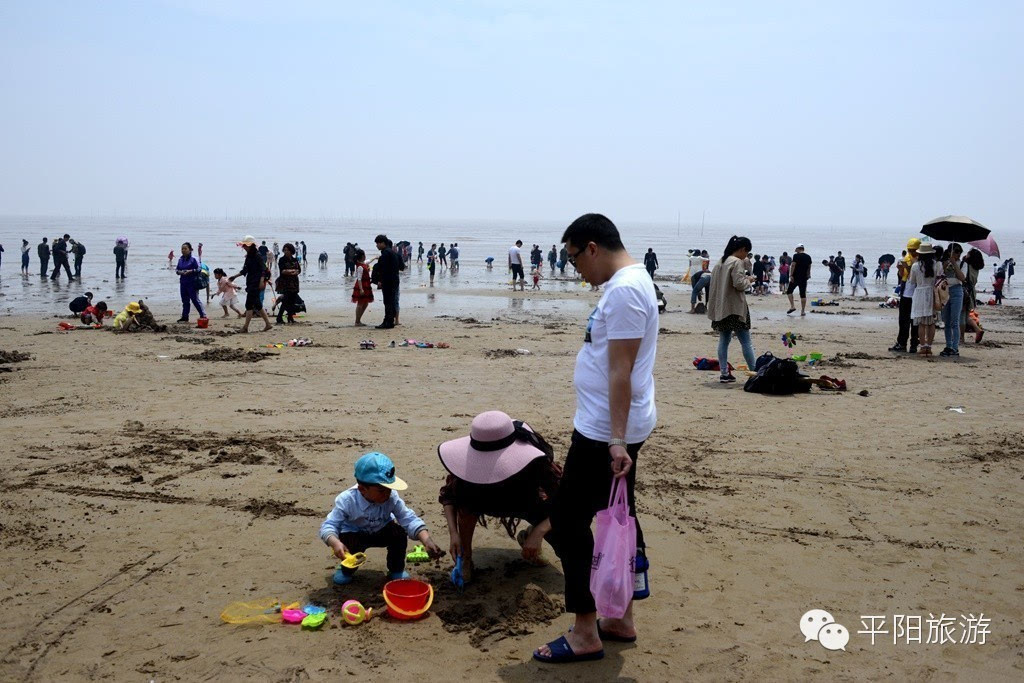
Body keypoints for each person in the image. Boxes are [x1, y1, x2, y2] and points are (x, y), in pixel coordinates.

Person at [535, 213, 656, 665]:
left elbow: (620, 370)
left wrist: (617, 440)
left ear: (591, 247)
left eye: (572, 259)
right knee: (616, 513)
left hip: (606, 431)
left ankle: (586, 631)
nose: (575, 270)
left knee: (567, 523)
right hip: (613, 426)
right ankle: (620, 618)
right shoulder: (632, 280)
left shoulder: (624, 291)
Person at [439, 411, 562, 584]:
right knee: (466, 507)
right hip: (484, 500)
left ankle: (529, 535)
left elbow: (568, 502)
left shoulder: (536, 463)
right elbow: (449, 495)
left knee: (568, 538)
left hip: (528, 500)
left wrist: (539, 531)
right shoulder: (466, 469)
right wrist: (454, 534)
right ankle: (466, 558)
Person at [320, 452, 443, 585]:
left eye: (389, 488)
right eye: (381, 490)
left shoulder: (391, 497)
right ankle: (346, 570)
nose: (387, 493)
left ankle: (396, 569)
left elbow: (408, 518)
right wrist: (335, 543)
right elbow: (329, 526)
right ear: (362, 489)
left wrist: (426, 540)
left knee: (399, 534)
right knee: (349, 543)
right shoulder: (347, 500)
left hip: (381, 529)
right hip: (355, 534)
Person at [708, 236, 757, 382]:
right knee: (745, 340)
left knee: (724, 340)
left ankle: (724, 373)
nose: (746, 256)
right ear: (742, 250)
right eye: (746, 253)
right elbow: (739, 284)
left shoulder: (721, 261)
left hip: (721, 307)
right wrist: (749, 280)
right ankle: (755, 371)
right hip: (735, 307)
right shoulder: (736, 262)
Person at [229, 236, 274, 332]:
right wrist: (234, 276)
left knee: (249, 304)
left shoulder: (257, 256)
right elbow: (245, 270)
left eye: (245, 245)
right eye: (244, 245)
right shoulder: (249, 256)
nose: (244, 247)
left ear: (251, 246)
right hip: (251, 282)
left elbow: (263, 269)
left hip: (256, 283)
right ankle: (268, 324)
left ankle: (245, 327)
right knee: (257, 305)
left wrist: (262, 281)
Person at [891, 239, 921, 353]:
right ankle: (901, 343)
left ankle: (914, 344)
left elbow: (916, 278)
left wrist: (908, 268)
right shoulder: (907, 258)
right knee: (903, 320)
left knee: (915, 322)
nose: (911, 252)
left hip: (916, 295)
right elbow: (903, 276)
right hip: (905, 293)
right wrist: (901, 269)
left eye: (913, 250)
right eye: (909, 250)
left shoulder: (920, 262)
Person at [909, 241, 938, 356]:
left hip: (920, 293)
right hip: (931, 292)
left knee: (921, 323)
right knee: (931, 322)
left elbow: (912, 281)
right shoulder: (936, 264)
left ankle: (922, 346)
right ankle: (929, 347)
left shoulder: (916, 266)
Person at [939, 243, 966, 357]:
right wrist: (947, 263)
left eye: (959, 252)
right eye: (955, 251)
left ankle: (955, 347)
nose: (958, 254)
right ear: (950, 252)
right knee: (946, 321)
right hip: (945, 290)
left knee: (955, 321)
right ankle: (948, 345)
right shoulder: (943, 263)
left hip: (957, 291)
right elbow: (940, 275)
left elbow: (962, 278)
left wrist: (955, 263)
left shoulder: (963, 263)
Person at [372, 234, 403, 329]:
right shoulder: (393, 253)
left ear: (383, 243)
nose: (376, 245)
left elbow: (384, 269)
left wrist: (380, 280)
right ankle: (390, 321)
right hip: (394, 280)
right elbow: (400, 267)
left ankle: (388, 322)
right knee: (391, 301)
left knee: (388, 301)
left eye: (378, 243)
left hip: (388, 281)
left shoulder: (386, 253)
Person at [175, 242, 206, 322]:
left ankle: (203, 315)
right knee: (185, 300)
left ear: (190, 250)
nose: (183, 250)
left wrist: (190, 271)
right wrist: (180, 272)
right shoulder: (180, 259)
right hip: (183, 282)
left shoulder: (194, 259)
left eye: (185, 249)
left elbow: (199, 269)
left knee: (195, 299)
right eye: (182, 249)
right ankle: (185, 317)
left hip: (192, 282)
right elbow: (177, 270)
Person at [274, 243, 302, 325]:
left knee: (292, 300)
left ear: (291, 251)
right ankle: (279, 317)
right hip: (285, 282)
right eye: (285, 250)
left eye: (287, 250)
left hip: (294, 283)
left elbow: (299, 270)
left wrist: (295, 272)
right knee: (285, 300)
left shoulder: (295, 260)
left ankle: (290, 316)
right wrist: (291, 271)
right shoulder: (282, 259)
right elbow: (282, 270)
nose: (286, 252)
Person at [348, 248, 374, 326]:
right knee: (360, 303)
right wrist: (361, 289)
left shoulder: (362, 264)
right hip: (362, 286)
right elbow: (359, 278)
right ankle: (357, 321)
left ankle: (358, 320)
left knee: (365, 303)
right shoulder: (360, 267)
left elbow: (368, 261)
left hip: (366, 285)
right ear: (362, 256)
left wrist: (375, 258)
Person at [786, 244, 811, 316]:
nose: (795, 250)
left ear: (798, 249)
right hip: (804, 278)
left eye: (796, 249)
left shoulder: (796, 256)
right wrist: (808, 274)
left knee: (789, 291)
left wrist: (791, 275)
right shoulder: (808, 256)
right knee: (803, 294)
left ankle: (792, 306)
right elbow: (809, 267)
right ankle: (803, 311)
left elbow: (793, 265)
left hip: (795, 277)